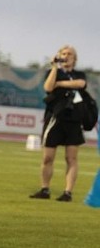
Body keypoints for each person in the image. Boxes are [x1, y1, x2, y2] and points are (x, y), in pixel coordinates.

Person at [30, 45, 86, 202]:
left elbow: (80, 84)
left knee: (71, 158)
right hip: (55, 118)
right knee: (47, 157)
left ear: (74, 59)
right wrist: (55, 67)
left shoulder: (79, 74)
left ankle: (68, 192)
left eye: (70, 54)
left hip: (74, 119)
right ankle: (45, 189)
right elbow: (48, 87)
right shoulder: (53, 73)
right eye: (63, 53)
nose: (66, 56)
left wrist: (60, 84)